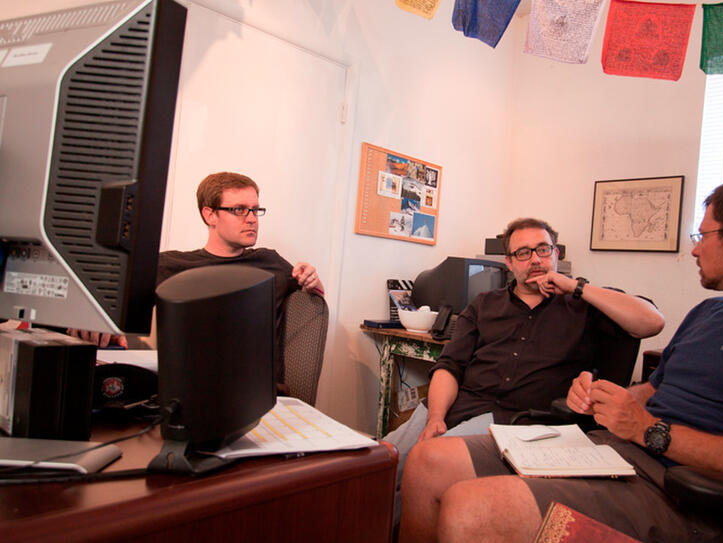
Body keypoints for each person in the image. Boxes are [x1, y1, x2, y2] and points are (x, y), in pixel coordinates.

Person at [398, 175, 723, 543]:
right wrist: (603, 396)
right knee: (425, 462)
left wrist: (651, 432)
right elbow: (652, 392)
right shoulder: (709, 312)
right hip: (615, 447)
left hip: (678, 486)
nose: (694, 251)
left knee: (467, 507)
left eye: (702, 236)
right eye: (523, 254)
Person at [384, 217, 664, 520]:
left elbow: (652, 322)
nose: (535, 259)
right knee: (379, 461)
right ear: (509, 262)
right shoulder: (484, 304)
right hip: (452, 403)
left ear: (556, 254)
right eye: (523, 253)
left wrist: (575, 287)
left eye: (543, 250)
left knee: (423, 468)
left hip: (516, 420)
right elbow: (450, 365)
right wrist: (436, 417)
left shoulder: (583, 304)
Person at [69, 172, 324, 384]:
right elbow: (111, 296)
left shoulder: (270, 262)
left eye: (256, 210)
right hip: (185, 388)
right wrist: (96, 319)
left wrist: (312, 279)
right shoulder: (172, 265)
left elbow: (314, 298)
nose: (251, 219)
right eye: (239, 210)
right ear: (209, 215)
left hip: (258, 392)